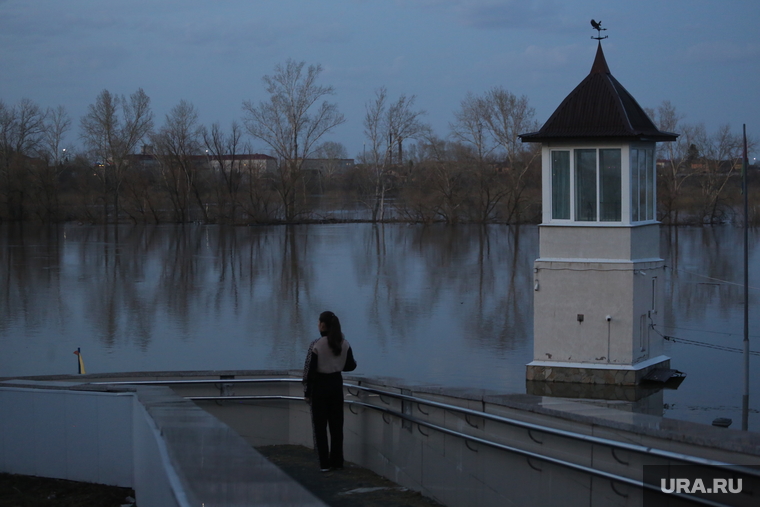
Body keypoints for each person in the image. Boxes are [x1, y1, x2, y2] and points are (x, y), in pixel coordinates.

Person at [302, 310, 357, 471]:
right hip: (336, 385)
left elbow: (309, 371)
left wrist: (307, 392)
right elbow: (351, 366)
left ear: (322, 325)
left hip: (320, 386)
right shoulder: (344, 343)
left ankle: (324, 463)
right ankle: (337, 461)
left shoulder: (316, 344)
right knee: (336, 426)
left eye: (319, 322)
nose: (317, 325)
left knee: (320, 427)